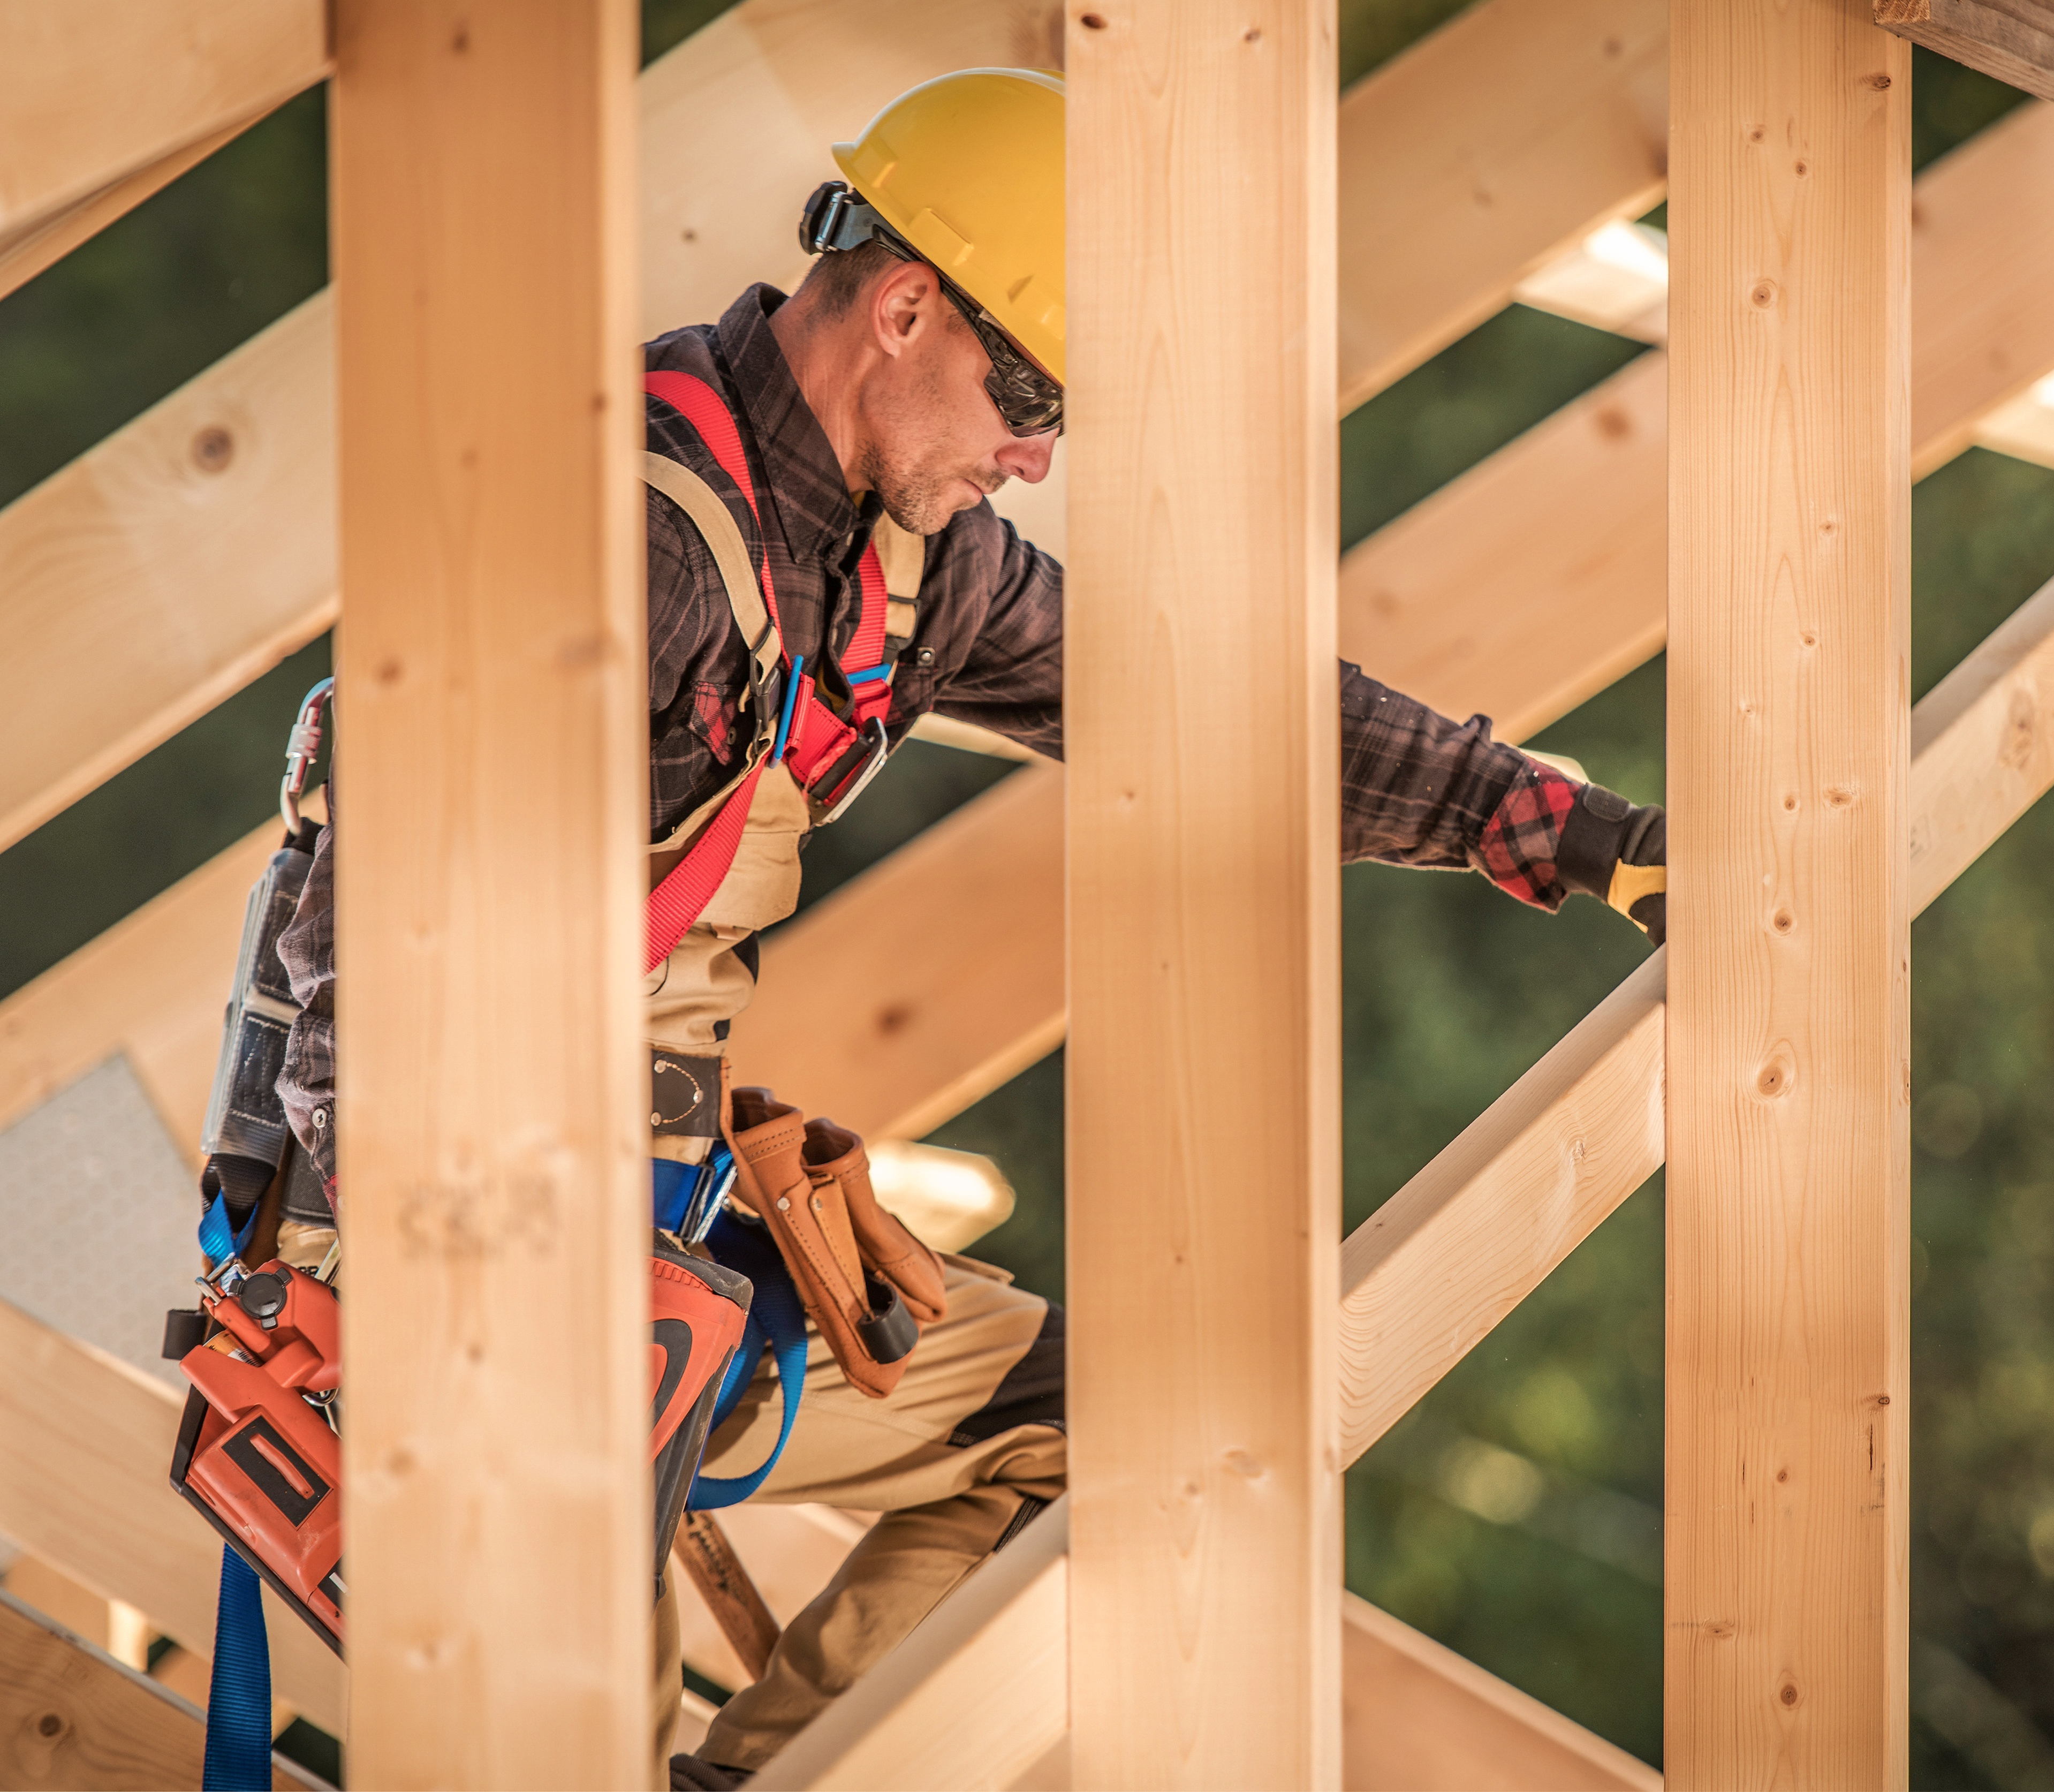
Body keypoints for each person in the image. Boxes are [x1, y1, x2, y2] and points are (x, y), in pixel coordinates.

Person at [268, 67, 1668, 1788]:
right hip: (448, 1259)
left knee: (1130, 1432)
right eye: (1032, 396)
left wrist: (1581, 837)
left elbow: (1222, 705)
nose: (1037, 451)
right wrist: (438, 1295)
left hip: (642, 1250)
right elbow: (370, 913)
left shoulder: (910, 570)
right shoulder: (610, 530)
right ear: (908, 308)